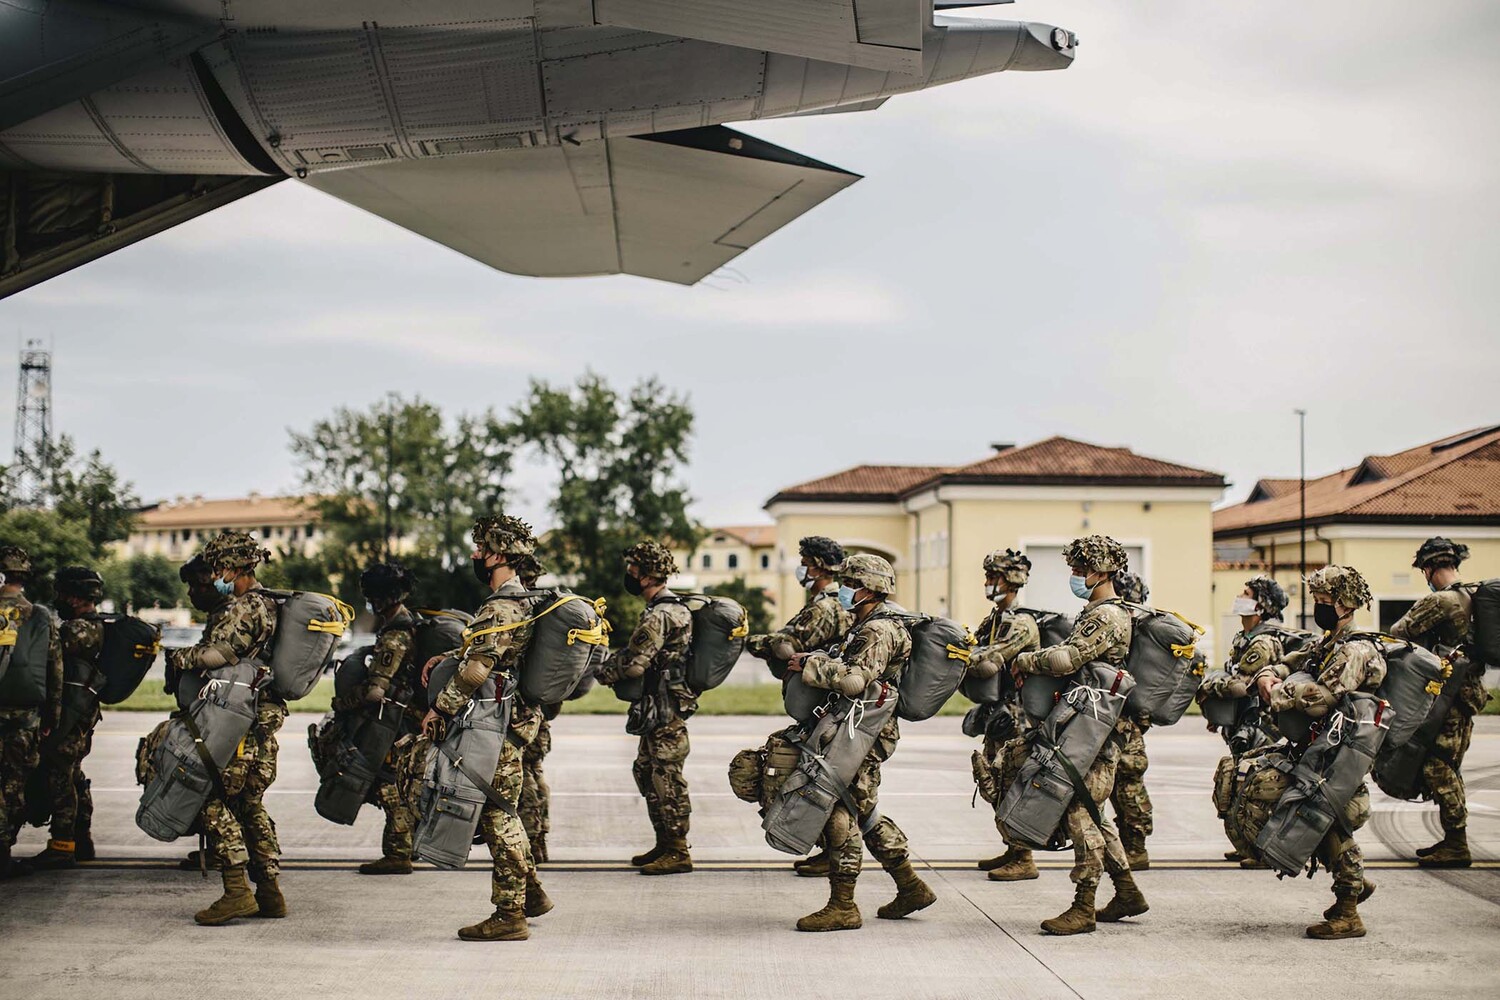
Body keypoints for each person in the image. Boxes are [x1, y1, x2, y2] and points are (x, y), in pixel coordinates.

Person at [784, 553, 936, 932]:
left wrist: (810, 666)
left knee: (840, 807)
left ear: (868, 589)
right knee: (862, 810)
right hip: (855, 728)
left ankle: (843, 904)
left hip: (863, 733)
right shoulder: (865, 623)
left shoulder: (880, 631)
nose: (844, 591)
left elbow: (856, 680)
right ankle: (910, 885)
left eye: (850, 584)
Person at [421, 515, 549, 941]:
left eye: (480, 549)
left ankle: (510, 914)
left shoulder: (500, 607)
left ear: (498, 555)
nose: (475, 556)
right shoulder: (525, 602)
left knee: (497, 813)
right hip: (512, 724)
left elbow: (478, 671)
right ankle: (529, 893)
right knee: (502, 809)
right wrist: (447, 658)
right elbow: (487, 656)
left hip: (492, 728)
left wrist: (440, 709)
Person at [1012, 536, 1147, 936]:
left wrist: (1025, 658)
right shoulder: (1099, 611)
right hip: (1090, 722)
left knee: (1078, 809)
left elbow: (1065, 659)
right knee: (1093, 808)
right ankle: (1127, 891)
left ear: (1100, 571)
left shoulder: (1106, 616)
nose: (1073, 575)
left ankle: (1083, 905)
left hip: (1098, 729)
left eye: (1079, 569)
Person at [1255, 565, 1384, 939]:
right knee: (1323, 818)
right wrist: (1271, 671)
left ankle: (1348, 912)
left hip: (1341, 753)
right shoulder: (1330, 642)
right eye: (1316, 601)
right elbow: (1295, 660)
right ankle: (1354, 888)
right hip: (1323, 748)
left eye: (1324, 602)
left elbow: (1317, 701)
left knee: (1325, 817)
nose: (1318, 608)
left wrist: (1274, 691)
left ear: (1345, 603)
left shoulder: (1356, 651)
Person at [167, 531, 282, 926]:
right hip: (261, 718)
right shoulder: (269, 604)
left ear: (232, 566)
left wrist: (181, 657)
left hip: (236, 722)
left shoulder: (243, 607)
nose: (216, 574)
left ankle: (236, 892)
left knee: (211, 797)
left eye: (218, 566)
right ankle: (270, 892)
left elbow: (221, 655)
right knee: (249, 805)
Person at [744, 535, 851, 877]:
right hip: (834, 703)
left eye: (804, 562)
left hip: (820, 703)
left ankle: (836, 855)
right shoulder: (845, 603)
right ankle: (829, 851)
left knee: (813, 778)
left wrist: (752, 641)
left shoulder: (823, 607)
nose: (800, 569)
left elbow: (787, 642)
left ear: (818, 566)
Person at [594, 541, 696, 876]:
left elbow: (636, 663)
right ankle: (665, 842)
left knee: (666, 776)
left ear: (646, 574)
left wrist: (604, 671)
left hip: (664, 707)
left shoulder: (660, 614)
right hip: (659, 705)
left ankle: (678, 850)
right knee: (646, 771)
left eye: (633, 568)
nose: (629, 573)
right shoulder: (671, 608)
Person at [1390, 538, 1488, 869]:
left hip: (1452, 696)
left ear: (1431, 568)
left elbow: (1400, 629)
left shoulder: (1443, 600)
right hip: (1466, 692)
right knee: (1446, 764)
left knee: (1438, 764)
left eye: (1425, 570)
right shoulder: (1471, 596)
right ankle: (1451, 839)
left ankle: (1457, 844)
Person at [1203, 575, 1301, 865]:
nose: (1239, 597)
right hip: (1242, 723)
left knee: (1255, 788)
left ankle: (1263, 848)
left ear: (1261, 605)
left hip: (1261, 726)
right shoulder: (1243, 638)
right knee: (1237, 785)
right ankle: (1247, 842)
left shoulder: (1262, 642)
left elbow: (1240, 686)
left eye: (1246, 594)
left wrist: (1208, 688)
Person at [966, 549, 1042, 881]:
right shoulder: (994, 618)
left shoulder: (1021, 623)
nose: (987, 584)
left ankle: (1024, 857)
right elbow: (973, 645)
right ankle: (1013, 846)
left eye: (992, 578)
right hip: (1000, 714)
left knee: (1013, 783)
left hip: (1020, 718)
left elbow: (991, 658)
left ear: (1010, 581)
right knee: (993, 781)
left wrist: (963, 657)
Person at [28, 567, 108, 869]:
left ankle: (62, 845)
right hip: (83, 713)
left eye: (61, 594)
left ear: (74, 598)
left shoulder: (76, 631)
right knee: (73, 774)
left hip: (70, 715)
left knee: (59, 775)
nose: (57, 599)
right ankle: (81, 838)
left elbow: (49, 664)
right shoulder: (96, 625)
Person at [350, 561, 422, 875]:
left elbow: (376, 691)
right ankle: (408, 847)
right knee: (399, 783)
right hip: (406, 716)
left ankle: (398, 853)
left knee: (389, 784)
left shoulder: (396, 634)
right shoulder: (409, 622)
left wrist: (345, 702)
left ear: (379, 598)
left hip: (396, 721)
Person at [0, 547, 62, 880]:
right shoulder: (39, 615)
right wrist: (52, 715)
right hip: (25, 715)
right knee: (14, 785)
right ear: (25, 577)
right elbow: (55, 669)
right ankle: (3, 853)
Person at [1107, 569, 1153, 870]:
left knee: (1128, 781)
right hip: (1121, 713)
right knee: (1119, 783)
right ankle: (1128, 842)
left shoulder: (1132, 628)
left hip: (1127, 717)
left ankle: (1136, 847)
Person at [512, 553, 554, 864]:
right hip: (539, 713)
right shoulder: (544, 609)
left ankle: (532, 841)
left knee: (522, 777)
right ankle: (540, 841)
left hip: (519, 714)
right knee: (535, 773)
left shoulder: (520, 610)